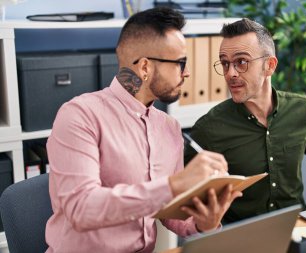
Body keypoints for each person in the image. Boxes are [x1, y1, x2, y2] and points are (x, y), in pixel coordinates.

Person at [45, 7, 242, 252]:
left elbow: (171, 213)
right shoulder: (79, 115)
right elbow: (81, 208)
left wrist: (204, 222)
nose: (187, 73)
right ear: (145, 68)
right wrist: (174, 184)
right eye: (180, 63)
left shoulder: (169, 127)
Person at [184, 18, 306, 224]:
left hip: (297, 228)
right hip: (241, 239)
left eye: (241, 62)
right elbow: (187, 196)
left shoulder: (304, 109)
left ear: (270, 65)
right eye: (225, 63)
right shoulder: (208, 128)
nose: (230, 73)